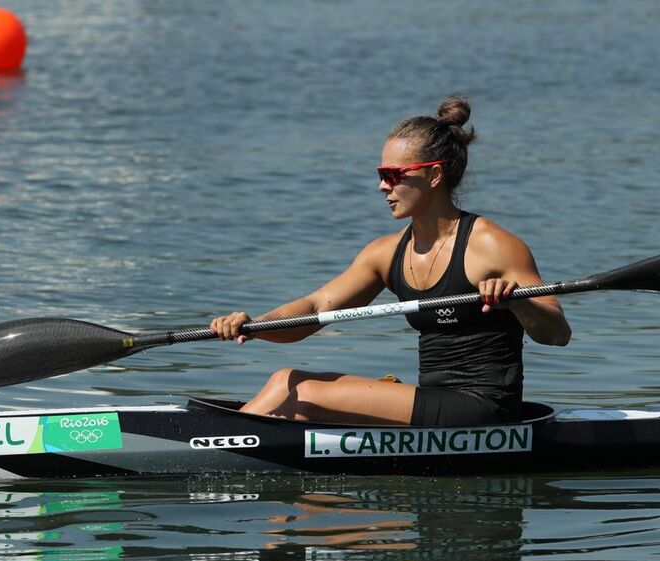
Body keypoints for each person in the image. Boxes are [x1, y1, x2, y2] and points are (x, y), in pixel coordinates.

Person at [210, 96, 571, 425]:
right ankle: (233, 443)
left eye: (393, 176)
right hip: (432, 401)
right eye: (381, 175)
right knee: (283, 382)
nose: (382, 187)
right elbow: (316, 307)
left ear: (434, 175)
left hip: (484, 407)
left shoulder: (492, 245)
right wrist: (255, 325)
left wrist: (519, 302)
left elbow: (556, 333)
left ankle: (217, 446)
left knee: (301, 390)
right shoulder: (385, 253)